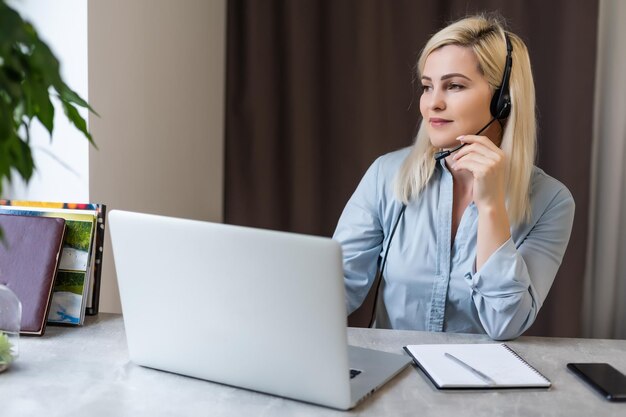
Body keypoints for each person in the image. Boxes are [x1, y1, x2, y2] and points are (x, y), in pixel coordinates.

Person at [332, 14, 575, 340]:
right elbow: (336, 290)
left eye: (454, 85)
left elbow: (505, 324)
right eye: (427, 86)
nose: (433, 103)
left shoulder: (551, 201)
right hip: (392, 378)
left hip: (483, 386)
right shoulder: (386, 176)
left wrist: (491, 207)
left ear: (503, 100)